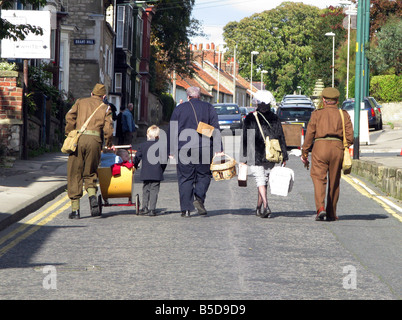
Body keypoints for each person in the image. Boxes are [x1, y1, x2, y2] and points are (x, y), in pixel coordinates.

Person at [168, 86, 222, 217]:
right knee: (204, 175)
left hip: (184, 148)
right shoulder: (209, 107)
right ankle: (198, 198)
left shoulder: (179, 109)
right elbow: (215, 128)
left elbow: (172, 129)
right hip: (204, 147)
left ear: (188, 97)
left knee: (185, 178)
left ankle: (186, 209)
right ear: (200, 96)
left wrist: (171, 149)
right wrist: (218, 149)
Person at [301, 87, 354, 221]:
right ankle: (331, 213)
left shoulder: (317, 114)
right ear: (337, 100)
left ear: (324, 100)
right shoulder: (343, 114)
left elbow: (309, 135)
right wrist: (342, 145)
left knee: (319, 178)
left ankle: (320, 208)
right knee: (334, 180)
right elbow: (350, 137)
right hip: (337, 148)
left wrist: (305, 152)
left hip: (320, 147)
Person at [65, 83, 113, 219]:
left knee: (75, 173)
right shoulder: (106, 107)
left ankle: (75, 211)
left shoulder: (80, 102)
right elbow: (108, 129)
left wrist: (70, 133)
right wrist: (108, 143)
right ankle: (92, 196)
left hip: (78, 140)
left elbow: (69, 117)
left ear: (92, 94)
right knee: (91, 172)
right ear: (104, 96)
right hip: (95, 141)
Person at [241, 90, 288, 218]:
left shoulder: (250, 117)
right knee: (264, 181)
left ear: (257, 103)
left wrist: (244, 157)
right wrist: (284, 155)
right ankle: (258, 208)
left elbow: (246, 138)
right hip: (271, 154)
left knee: (260, 180)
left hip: (255, 154)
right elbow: (281, 137)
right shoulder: (275, 118)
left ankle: (266, 206)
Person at [133, 125, 167, 216]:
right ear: (158, 136)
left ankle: (144, 208)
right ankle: (152, 209)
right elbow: (164, 161)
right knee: (154, 191)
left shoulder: (142, 145)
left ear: (147, 135)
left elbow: (137, 157)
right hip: (157, 172)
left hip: (146, 172)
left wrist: (135, 166)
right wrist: (161, 169)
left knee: (146, 190)